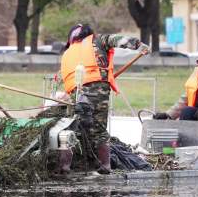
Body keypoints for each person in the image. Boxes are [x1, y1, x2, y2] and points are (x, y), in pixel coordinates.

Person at [60, 23, 149, 174]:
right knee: (99, 129)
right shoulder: (97, 40)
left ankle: (64, 167)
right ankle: (105, 166)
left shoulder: (68, 52)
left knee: (74, 128)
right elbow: (118, 39)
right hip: (99, 92)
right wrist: (138, 45)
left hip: (78, 94)